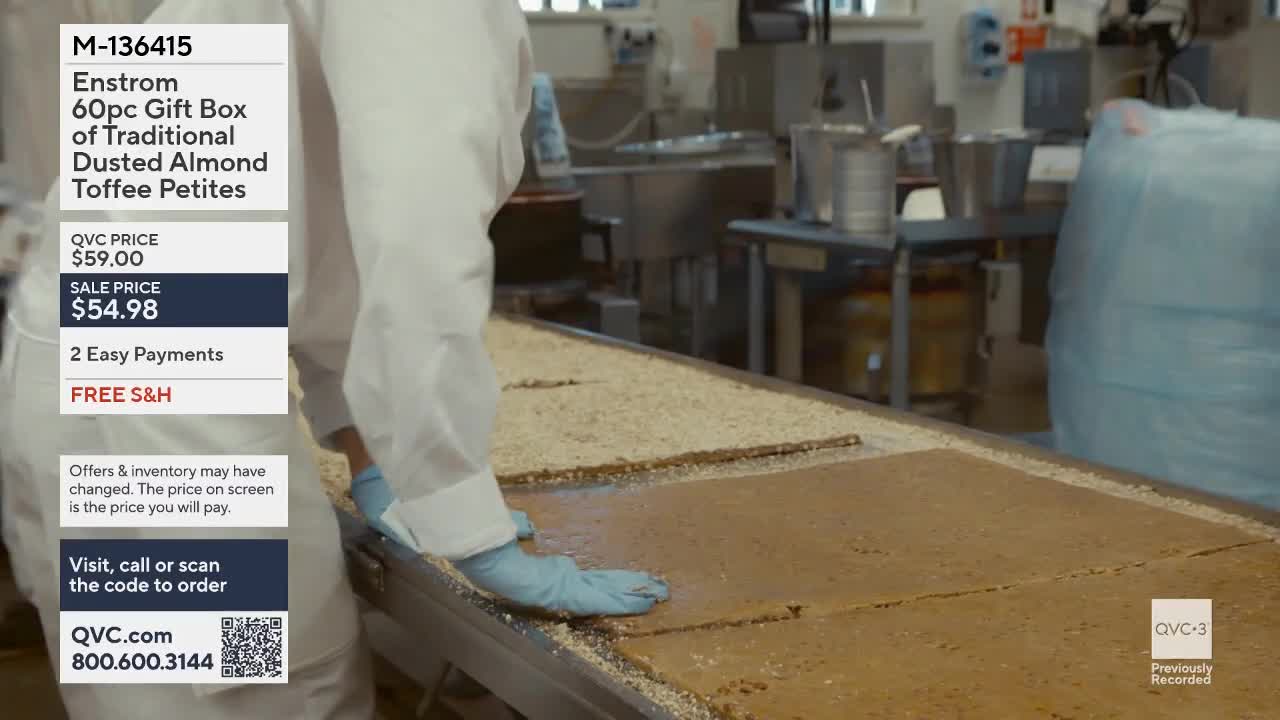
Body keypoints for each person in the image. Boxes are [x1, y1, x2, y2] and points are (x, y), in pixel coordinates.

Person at [0, 2, 668, 719]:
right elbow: (414, 248)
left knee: (145, 691)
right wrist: (460, 508)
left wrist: (370, 451)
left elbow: (302, 224)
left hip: (94, 337)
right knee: (268, 696)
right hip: (163, 391)